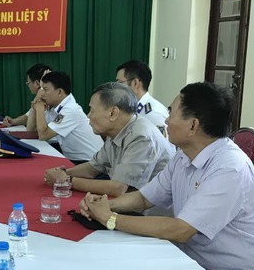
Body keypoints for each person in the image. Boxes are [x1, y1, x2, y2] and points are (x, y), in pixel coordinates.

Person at [80, 82, 254, 270]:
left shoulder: (229, 168)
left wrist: (111, 218)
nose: (166, 120)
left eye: (171, 113)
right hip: (194, 262)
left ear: (193, 125)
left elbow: (181, 230)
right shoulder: (183, 156)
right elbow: (144, 198)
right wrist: (104, 205)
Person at [44, 82, 173, 196]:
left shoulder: (141, 137)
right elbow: (93, 168)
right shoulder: (116, 130)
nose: (88, 116)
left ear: (113, 113)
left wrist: (66, 180)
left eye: (92, 110)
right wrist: (63, 173)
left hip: (148, 212)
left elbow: (118, 188)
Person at [30, 71, 103, 163]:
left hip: (90, 162)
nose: (42, 94)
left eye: (45, 90)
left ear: (59, 92)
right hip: (74, 159)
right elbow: (31, 129)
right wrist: (37, 103)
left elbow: (43, 135)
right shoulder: (55, 107)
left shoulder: (70, 110)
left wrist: (39, 108)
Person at [116, 60, 169, 133]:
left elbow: (162, 140)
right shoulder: (132, 109)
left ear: (135, 83)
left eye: (119, 83)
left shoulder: (154, 114)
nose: (116, 88)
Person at [3, 63, 52, 127]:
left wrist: (38, 95)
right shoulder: (41, 98)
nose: (28, 85)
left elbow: (30, 128)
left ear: (37, 83)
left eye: (28, 83)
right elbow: (28, 116)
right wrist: (13, 121)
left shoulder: (51, 100)